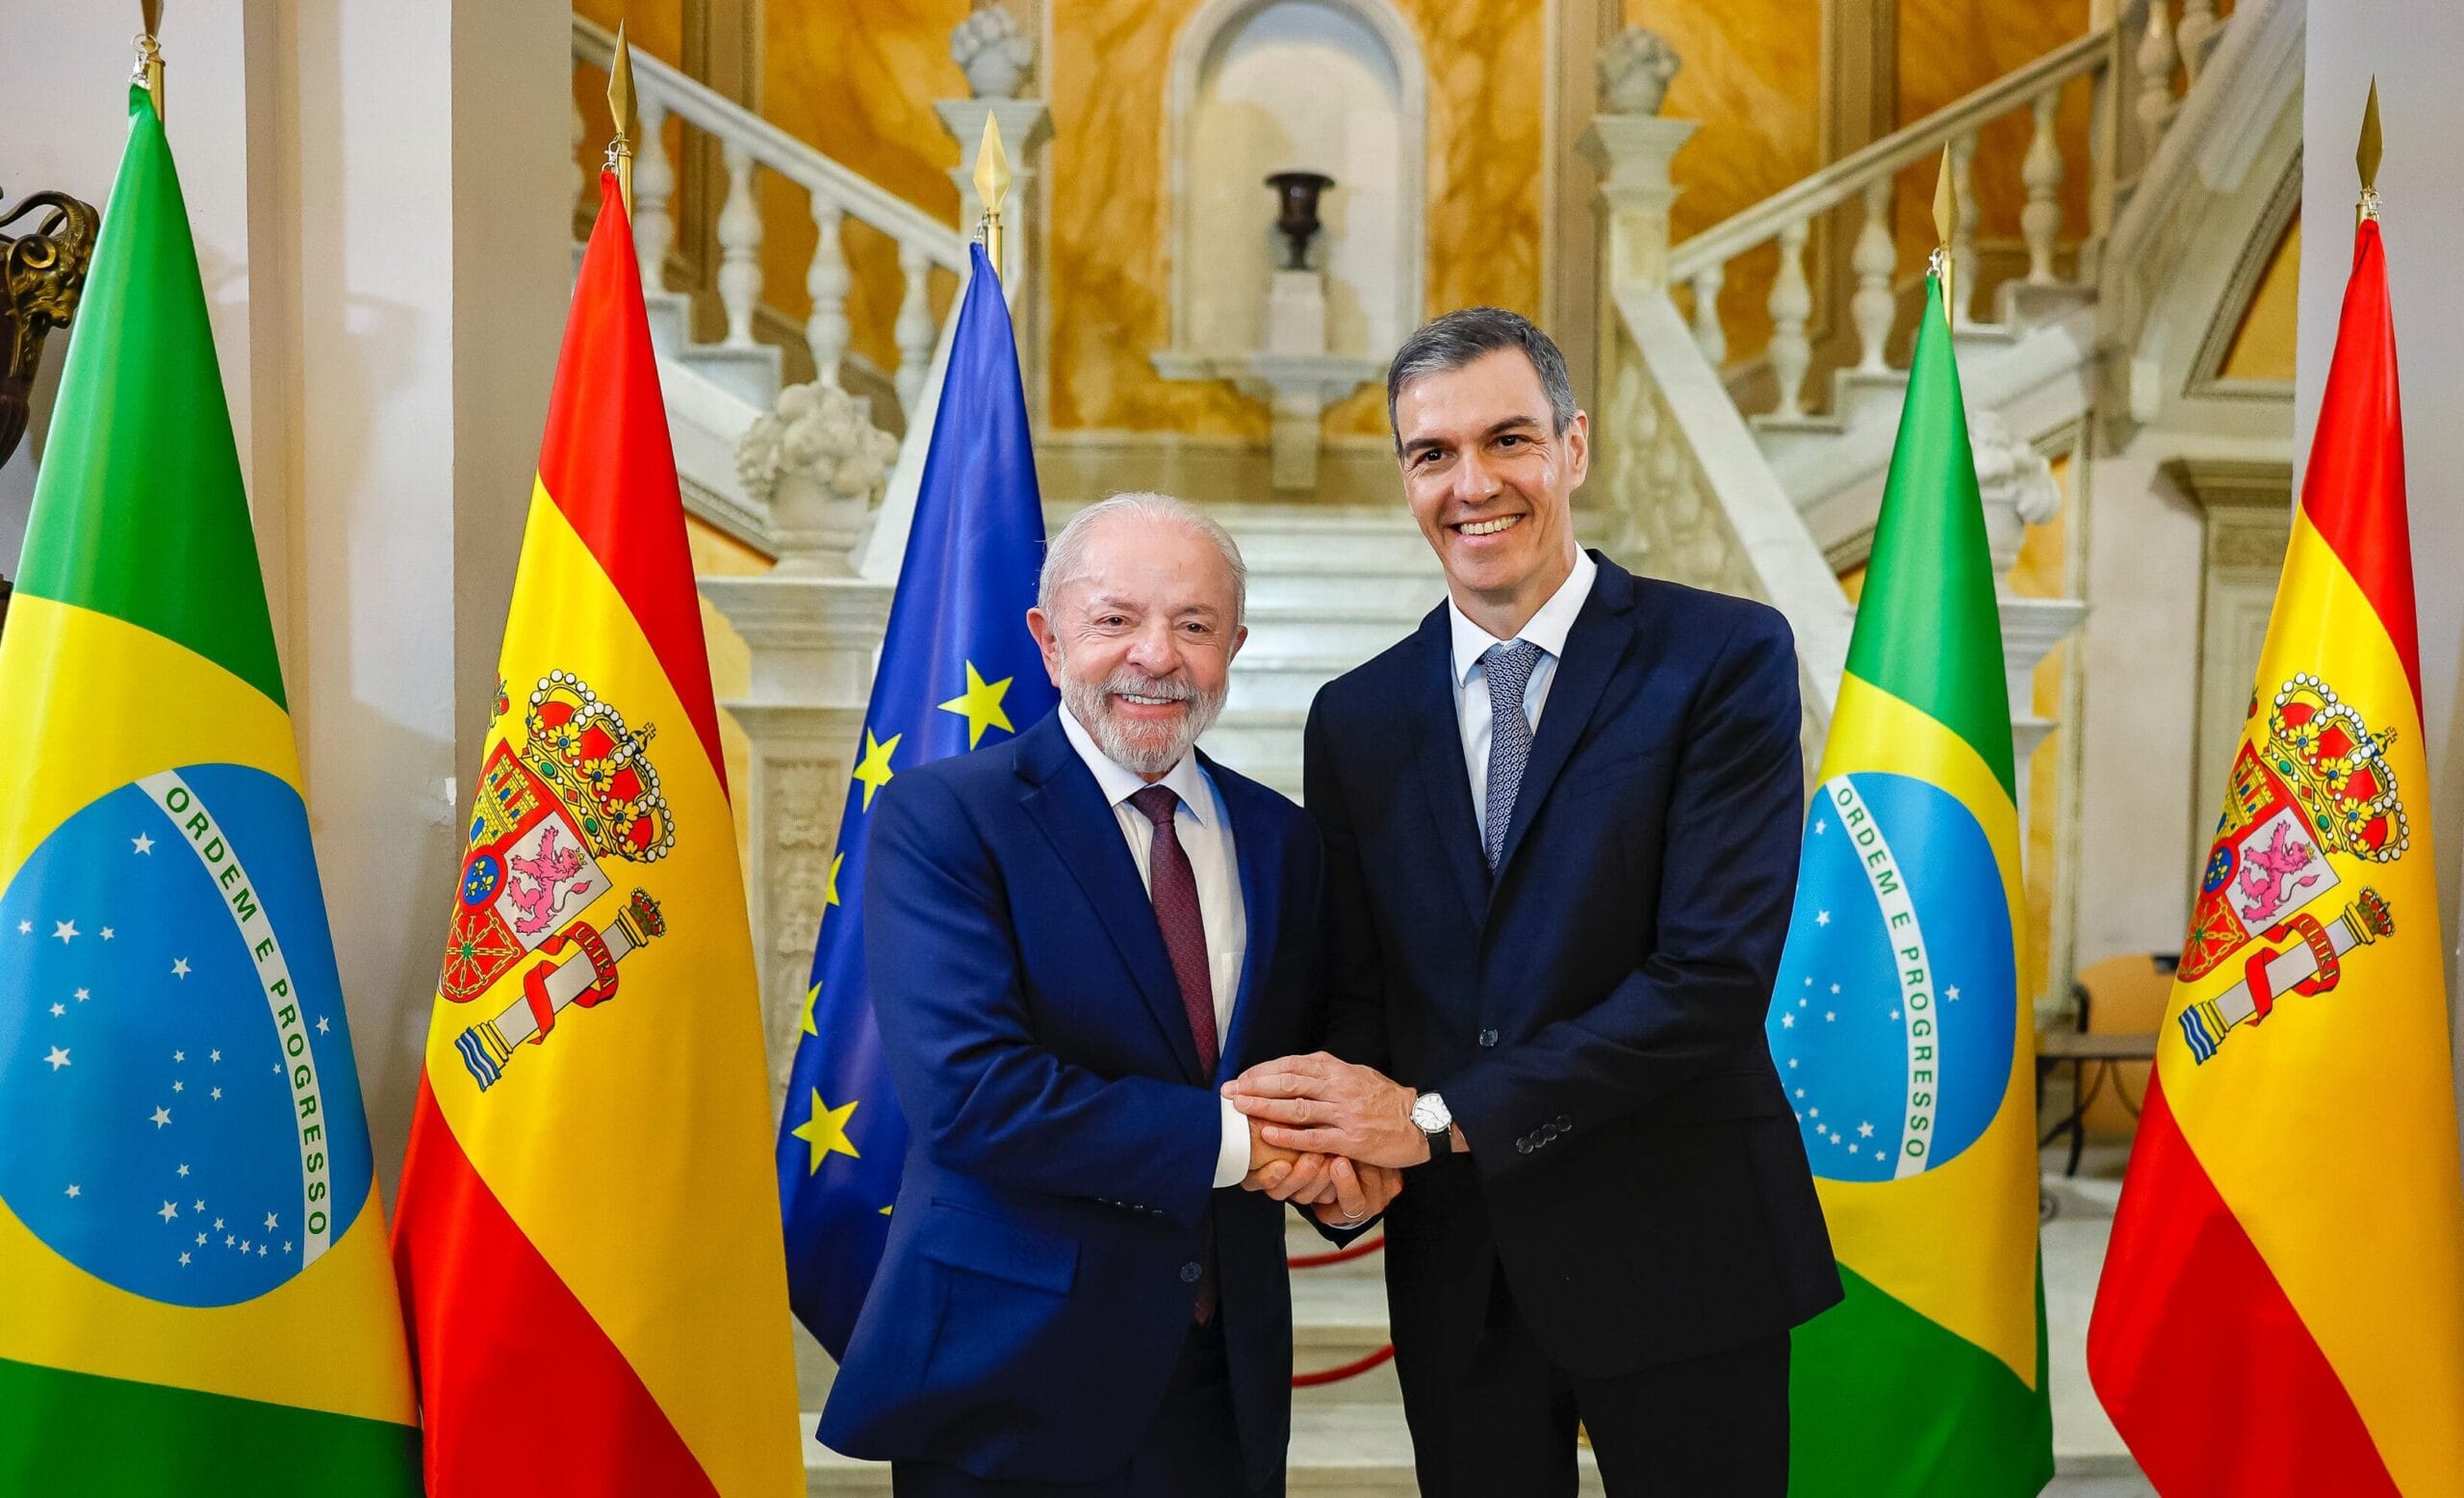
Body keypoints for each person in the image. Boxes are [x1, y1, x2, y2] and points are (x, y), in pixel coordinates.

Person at [1225, 309, 1841, 1495]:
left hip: (1682, 1246)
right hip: (1463, 1269)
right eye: (1432, 453)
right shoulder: (1355, 717)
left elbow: (1707, 978)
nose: (1473, 484)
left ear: (1573, 446)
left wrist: (1439, 1114)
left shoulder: (1719, 657)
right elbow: (1365, 990)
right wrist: (1342, 1147)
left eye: (1507, 439)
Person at [820, 493, 1400, 1497]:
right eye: (1115, 618)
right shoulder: (946, 818)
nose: (1156, 654)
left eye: (1193, 624)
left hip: (1223, 1386)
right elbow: (974, 1097)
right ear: (1048, 642)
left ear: (1235, 645)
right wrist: (1248, 1144)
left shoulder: (1283, 840)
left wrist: (1344, 1160)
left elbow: (1322, 1044)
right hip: (1011, 1378)